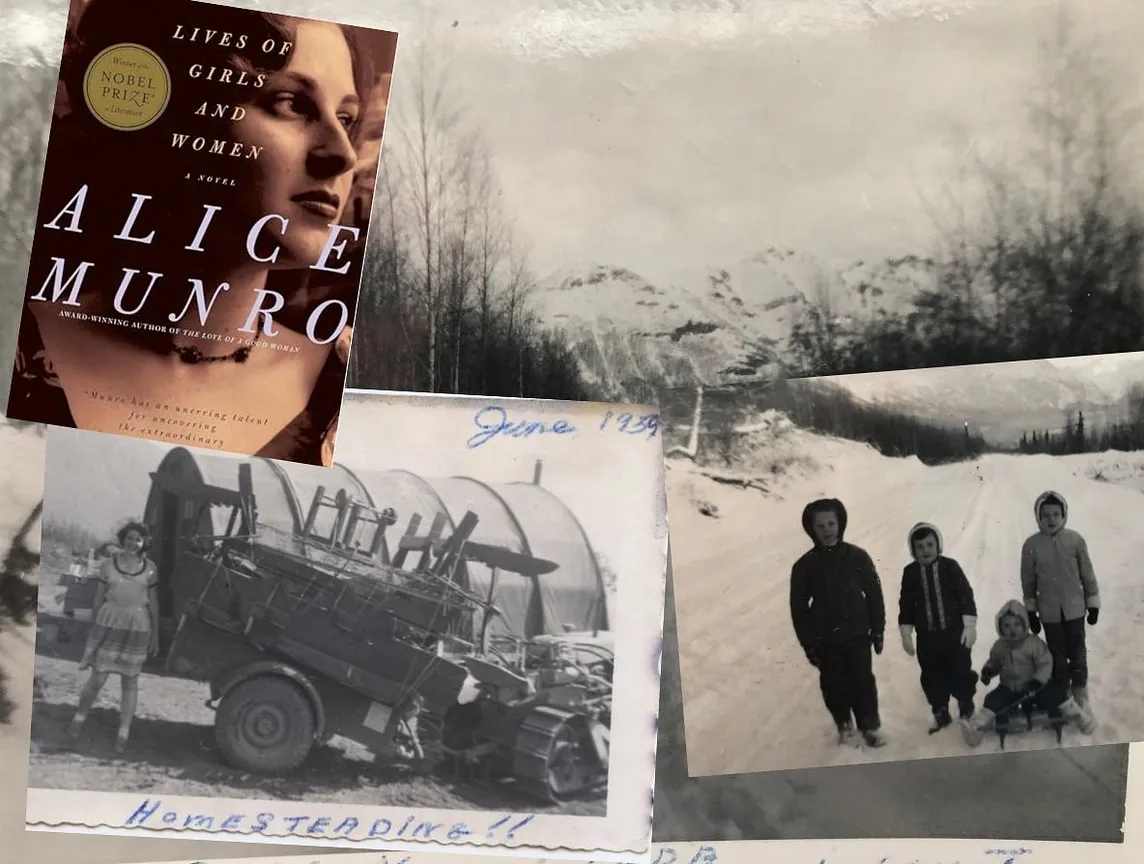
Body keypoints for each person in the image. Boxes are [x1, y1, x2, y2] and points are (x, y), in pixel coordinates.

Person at [8, 0, 386, 464]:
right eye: (290, 103)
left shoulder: (349, 388)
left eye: (346, 119)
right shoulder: (19, 341)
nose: (342, 154)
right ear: (181, 117)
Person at [790, 498, 888, 748]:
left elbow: (874, 595)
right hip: (826, 639)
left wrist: (877, 629)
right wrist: (809, 644)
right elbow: (798, 609)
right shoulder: (804, 566)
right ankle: (844, 724)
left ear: (840, 523)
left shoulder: (857, 557)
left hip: (857, 634)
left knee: (863, 681)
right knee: (834, 684)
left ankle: (869, 725)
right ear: (811, 528)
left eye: (831, 523)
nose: (827, 529)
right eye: (820, 525)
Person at [68, 521, 160, 753]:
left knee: (130, 682)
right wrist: (92, 628)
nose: (133, 543)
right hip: (109, 622)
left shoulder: (150, 568)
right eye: (129, 538)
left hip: (137, 626)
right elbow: (99, 598)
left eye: (138, 539)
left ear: (143, 543)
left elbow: (154, 603)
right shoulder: (108, 565)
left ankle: (123, 733)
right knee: (98, 677)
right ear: (122, 539)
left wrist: (155, 635)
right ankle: (78, 719)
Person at [962, 600, 1095, 748]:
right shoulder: (1000, 646)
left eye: (1016, 624)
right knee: (992, 700)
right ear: (1000, 627)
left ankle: (1080, 717)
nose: (1012, 630)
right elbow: (994, 662)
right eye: (1007, 625)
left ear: (1024, 624)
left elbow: (1045, 663)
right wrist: (989, 671)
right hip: (1010, 688)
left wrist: (1038, 682)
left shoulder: (1033, 643)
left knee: (1056, 694)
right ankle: (976, 730)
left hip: (1035, 688)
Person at [1020, 491, 1100, 709]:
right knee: (1056, 654)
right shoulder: (1031, 545)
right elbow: (1028, 582)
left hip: (1075, 610)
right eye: (1045, 515)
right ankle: (1063, 689)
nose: (1051, 519)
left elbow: (1088, 574)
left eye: (1056, 514)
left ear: (1064, 515)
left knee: (1077, 652)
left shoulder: (1075, 540)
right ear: (1038, 517)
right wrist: (1031, 611)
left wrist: (1092, 603)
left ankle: (1080, 690)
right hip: (1049, 613)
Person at [898, 522, 979, 732]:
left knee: (960, 670)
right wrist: (906, 632)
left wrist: (969, 624)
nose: (925, 551)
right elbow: (905, 602)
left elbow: (965, 594)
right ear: (913, 550)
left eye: (929, 545)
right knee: (932, 675)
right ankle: (940, 710)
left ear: (938, 545)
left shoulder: (950, 567)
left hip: (954, 635)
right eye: (920, 547)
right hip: (927, 637)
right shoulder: (910, 573)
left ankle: (966, 706)